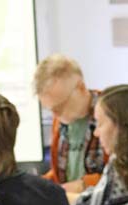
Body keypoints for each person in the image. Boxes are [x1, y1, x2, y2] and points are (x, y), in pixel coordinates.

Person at [34, 54, 107, 192]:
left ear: (81, 87)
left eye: (60, 107)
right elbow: (62, 173)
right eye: (51, 109)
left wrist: (85, 184)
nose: (55, 115)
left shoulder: (111, 113)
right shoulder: (62, 119)